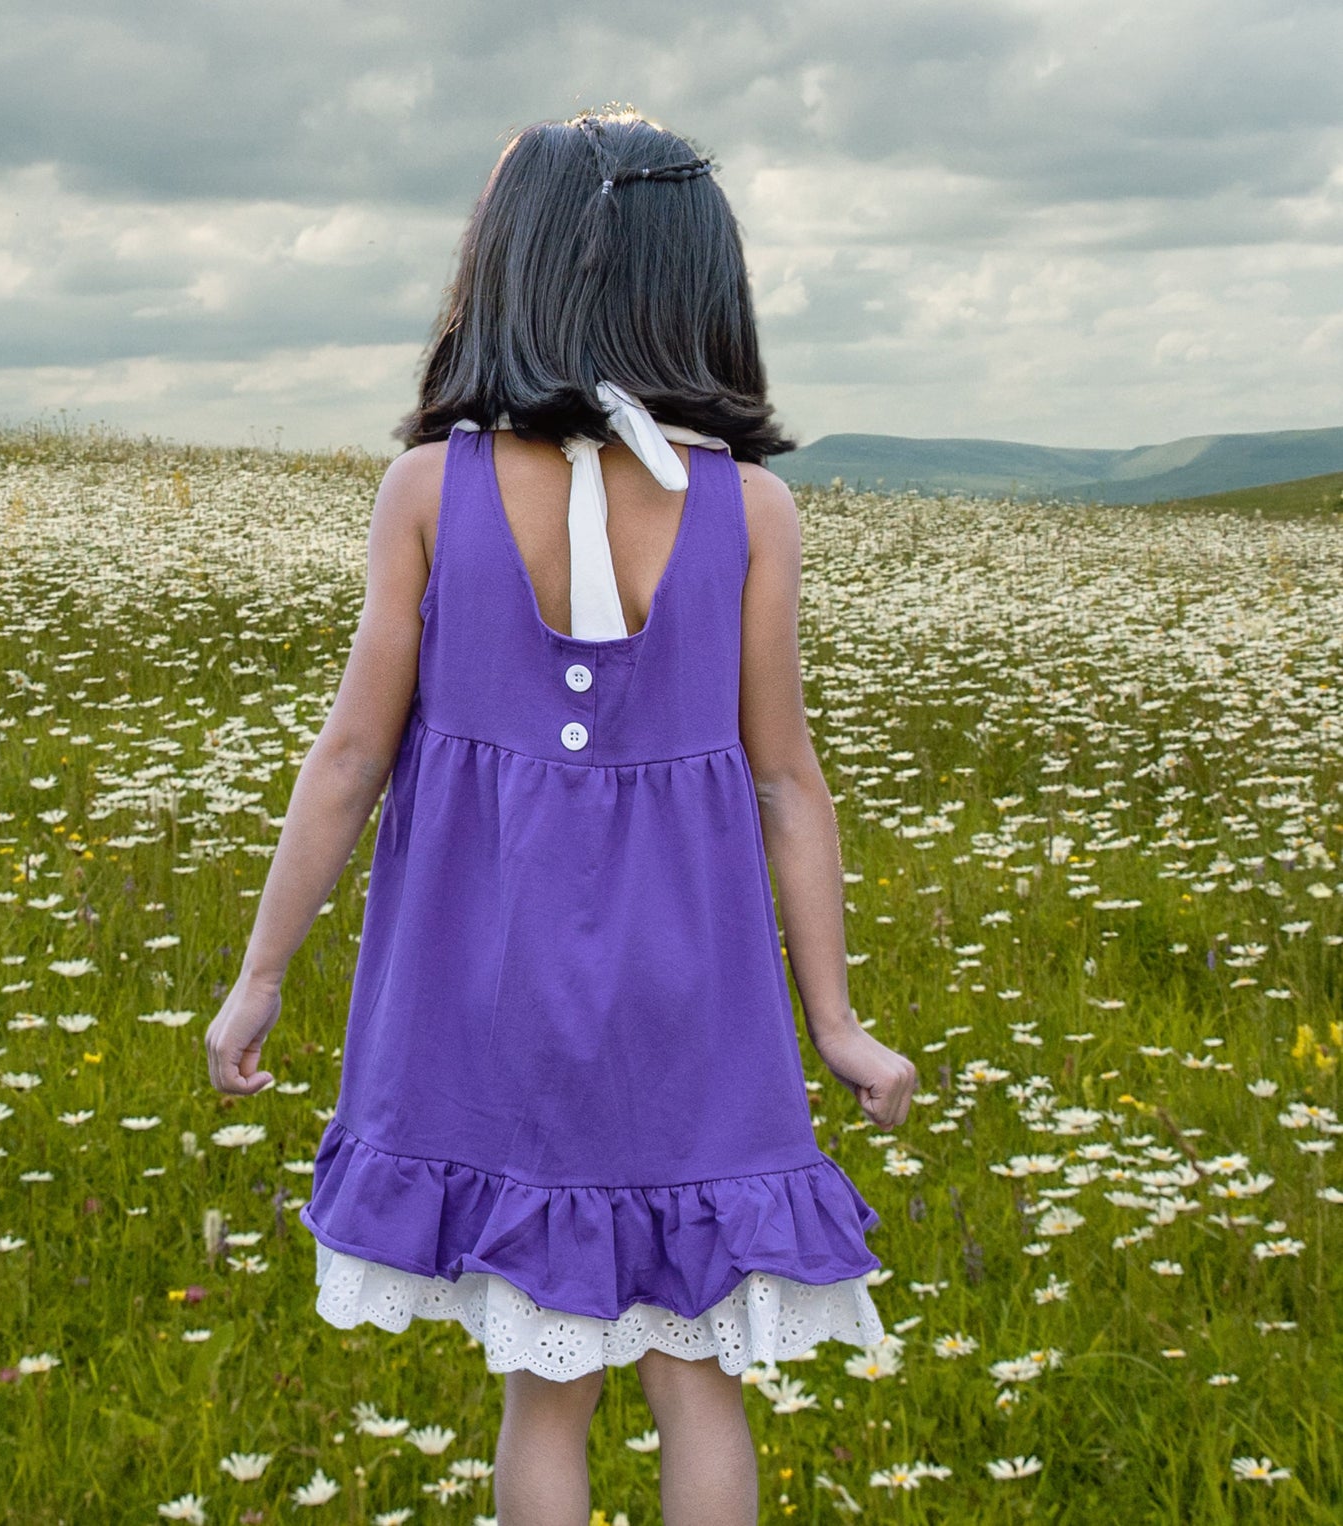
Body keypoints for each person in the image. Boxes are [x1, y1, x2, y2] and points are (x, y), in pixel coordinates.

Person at [206, 105, 918, 1526]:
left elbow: (349, 756)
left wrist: (261, 976)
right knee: (693, 1370)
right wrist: (833, 1019)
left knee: (547, 1381)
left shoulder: (429, 488)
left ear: (509, 274)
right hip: (690, 1007)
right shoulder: (750, 510)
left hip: (486, 1004)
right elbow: (787, 778)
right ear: (696, 291)